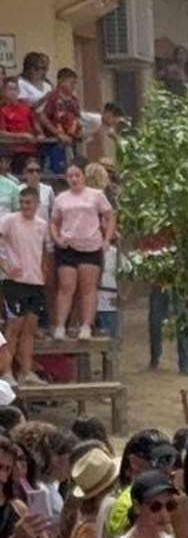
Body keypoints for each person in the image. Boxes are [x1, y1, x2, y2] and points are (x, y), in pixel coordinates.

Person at [47, 160, 113, 340]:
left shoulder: (96, 195)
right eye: (70, 176)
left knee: (88, 287)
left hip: (90, 245)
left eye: (77, 175)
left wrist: (107, 238)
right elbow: (53, 221)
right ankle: (61, 325)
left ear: (84, 176)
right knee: (66, 286)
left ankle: (86, 325)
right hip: (68, 246)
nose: (74, 179)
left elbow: (109, 215)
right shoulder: (61, 198)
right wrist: (57, 238)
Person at [0, 180, 47, 376]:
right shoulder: (9, 220)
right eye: (22, 202)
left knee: (30, 329)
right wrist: (5, 265)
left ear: (36, 204)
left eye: (28, 202)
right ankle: (8, 371)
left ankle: (27, 373)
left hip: (35, 282)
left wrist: (43, 273)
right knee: (14, 328)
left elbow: (43, 250)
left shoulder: (42, 225)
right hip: (14, 283)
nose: (25, 206)